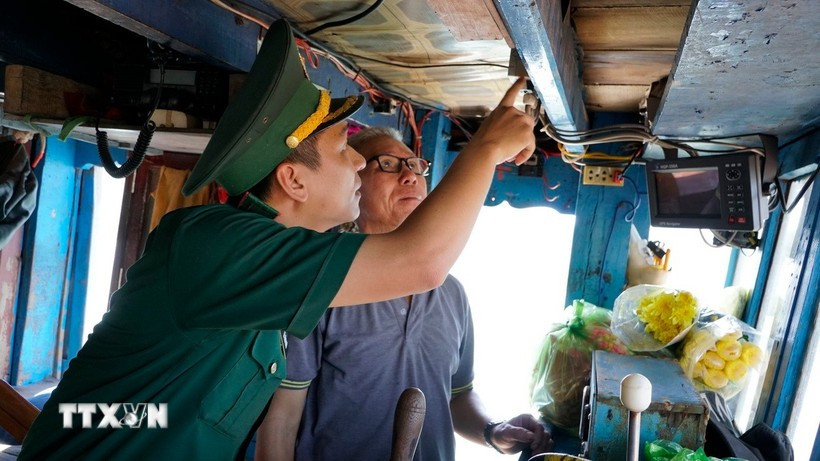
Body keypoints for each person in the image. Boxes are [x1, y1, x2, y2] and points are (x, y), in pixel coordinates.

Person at [18, 18, 535, 460]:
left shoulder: (272, 279)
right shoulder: (214, 243)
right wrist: (485, 148)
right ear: (294, 180)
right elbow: (420, 262)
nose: (357, 160)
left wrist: (142, 417)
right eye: (342, 149)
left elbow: (161, 407)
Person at [254, 126, 553, 460]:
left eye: (415, 165)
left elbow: (456, 395)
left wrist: (494, 430)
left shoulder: (452, 293)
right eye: (387, 164)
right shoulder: (326, 284)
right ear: (354, 181)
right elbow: (281, 418)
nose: (410, 176)